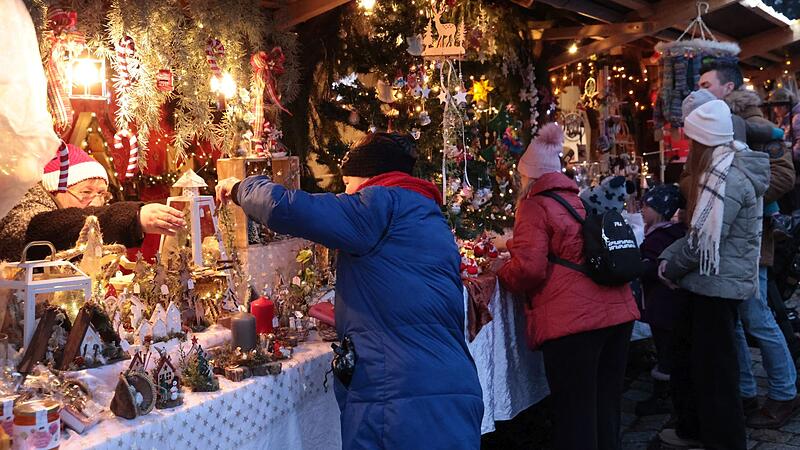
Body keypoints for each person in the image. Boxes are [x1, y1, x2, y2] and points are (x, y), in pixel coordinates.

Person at [216, 132, 483, 450]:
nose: (345, 193)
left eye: (347, 184)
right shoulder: (427, 215)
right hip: (452, 387)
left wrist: (239, 187)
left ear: (368, 178)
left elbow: (287, 208)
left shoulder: (376, 206)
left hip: (398, 399)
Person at [497, 123, 639, 450]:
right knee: (605, 408)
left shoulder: (534, 205)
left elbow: (529, 270)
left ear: (528, 175)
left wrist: (503, 271)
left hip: (575, 322)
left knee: (575, 415)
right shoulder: (579, 200)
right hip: (616, 313)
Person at [658, 100, 769, 450]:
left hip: (717, 287)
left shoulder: (727, 179)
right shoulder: (720, 171)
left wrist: (670, 266)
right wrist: (669, 257)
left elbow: (703, 240)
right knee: (694, 361)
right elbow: (699, 234)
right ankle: (695, 429)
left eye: (693, 141)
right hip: (708, 282)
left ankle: (724, 440)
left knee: (715, 372)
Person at [693, 67, 800, 427]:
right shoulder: (713, 124)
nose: (701, 90)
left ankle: (785, 393)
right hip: (724, 236)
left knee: (757, 316)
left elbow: (783, 177)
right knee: (735, 319)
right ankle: (745, 392)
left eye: (706, 84)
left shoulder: (757, 126)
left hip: (752, 238)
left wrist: (736, 199)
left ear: (729, 87)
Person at [0, 144, 185, 261]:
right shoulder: (23, 207)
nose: (96, 203)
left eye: (102, 194)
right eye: (86, 192)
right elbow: (47, 227)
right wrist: (131, 217)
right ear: (54, 190)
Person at [635, 184, 688, 417]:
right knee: (670, 346)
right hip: (669, 304)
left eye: (646, 206)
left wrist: (637, 267)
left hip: (663, 304)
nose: (642, 210)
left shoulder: (659, 237)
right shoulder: (670, 232)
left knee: (666, 348)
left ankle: (664, 397)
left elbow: (652, 267)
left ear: (659, 210)